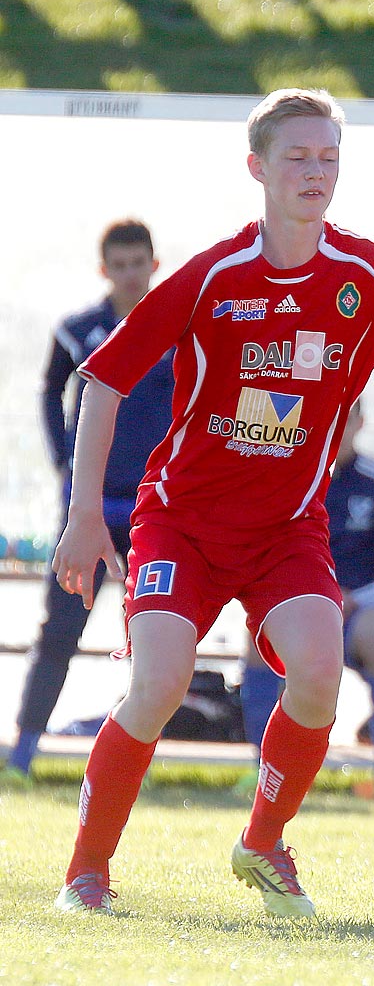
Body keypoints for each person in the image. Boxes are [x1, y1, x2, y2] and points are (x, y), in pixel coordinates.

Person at [50, 87, 374, 918]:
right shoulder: (214, 274)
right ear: (258, 168)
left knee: (320, 678)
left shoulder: (368, 274)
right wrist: (81, 518)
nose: (315, 172)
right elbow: (103, 377)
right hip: (181, 520)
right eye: (297, 157)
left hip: (288, 531)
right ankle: (87, 873)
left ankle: (262, 844)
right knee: (160, 684)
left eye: (328, 158)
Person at [0, 220, 172, 787]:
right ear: (105, 270)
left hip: (160, 512)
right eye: (118, 265)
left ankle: (136, 761)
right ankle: (23, 753)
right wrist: (63, 462)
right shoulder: (79, 330)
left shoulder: (180, 325)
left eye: (137, 263)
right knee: (60, 629)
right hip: (91, 510)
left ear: (154, 263)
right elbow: (51, 391)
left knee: (156, 638)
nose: (129, 274)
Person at [235, 398, 374, 801]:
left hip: (358, 610)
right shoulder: (284, 475)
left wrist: (349, 601)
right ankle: (261, 769)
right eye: (327, 415)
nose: (336, 427)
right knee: (255, 640)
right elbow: (257, 550)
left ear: (360, 422)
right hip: (298, 603)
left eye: (345, 417)